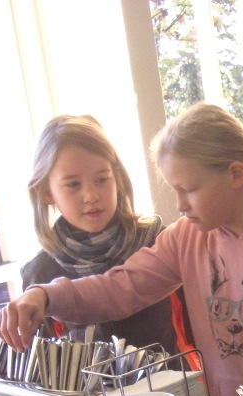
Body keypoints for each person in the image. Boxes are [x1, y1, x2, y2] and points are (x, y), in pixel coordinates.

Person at [0, 103, 243, 396]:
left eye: (188, 189)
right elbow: (118, 289)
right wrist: (45, 294)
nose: (180, 204)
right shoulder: (185, 238)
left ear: (236, 175)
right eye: (175, 190)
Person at [23, 114, 180, 356]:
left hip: (173, 387)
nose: (91, 195)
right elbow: (43, 364)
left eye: (101, 179)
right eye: (73, 185)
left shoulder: (158, 243)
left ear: (116, 177)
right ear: (46, 192)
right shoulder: (40, 273)